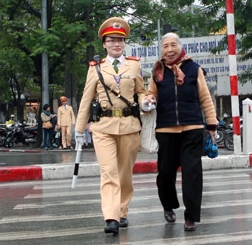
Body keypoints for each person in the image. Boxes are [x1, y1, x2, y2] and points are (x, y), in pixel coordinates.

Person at [73, 16, 147, 235]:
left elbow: (140, 91)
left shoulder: (134, 65)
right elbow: (86, 99)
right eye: (112, 40)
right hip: (103, 127)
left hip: (129, 126)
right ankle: (111, 217)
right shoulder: (96, 68)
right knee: (109, 172)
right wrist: (78, 130)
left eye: (120, 40)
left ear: (124, 43)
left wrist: (146, 102)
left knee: (125, 174)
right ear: (104, 43)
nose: (116, 44)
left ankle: (123, 211)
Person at [144, 32, 217, 232]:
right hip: (166, 130)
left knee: (192, 174)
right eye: (165, 46)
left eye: (173, 45)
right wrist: (149, 99)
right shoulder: (157, 71)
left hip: (192, 129)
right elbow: (151, 93)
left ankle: (191, 216)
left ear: (180, 46)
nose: (169, 49)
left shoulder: (194, 69)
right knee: (165, 173)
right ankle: (168, 205)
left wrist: (211, 125)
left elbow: (205, 98)